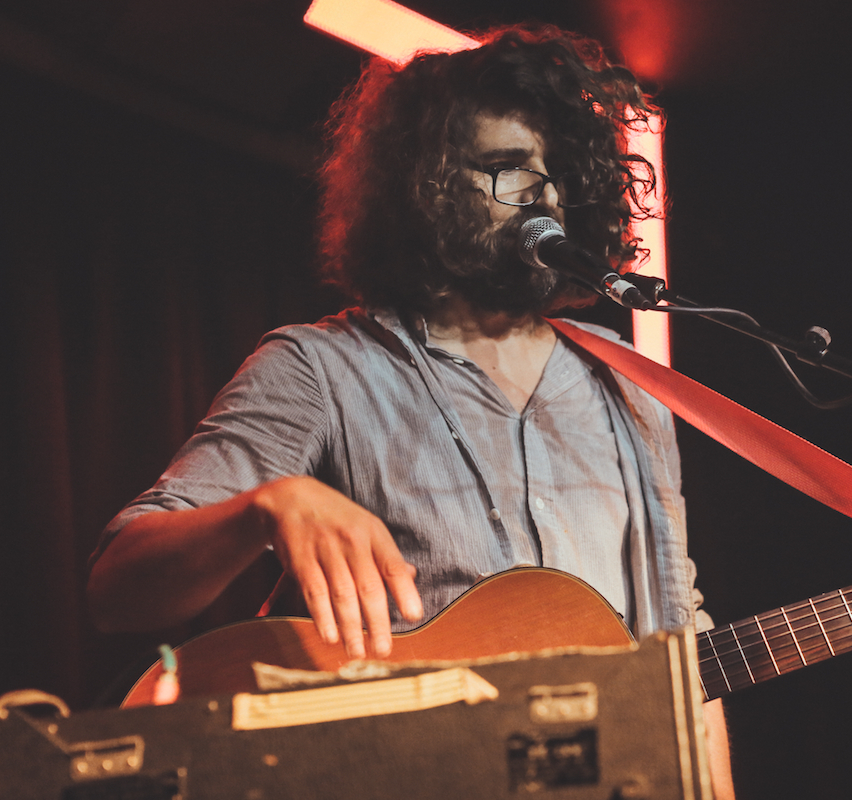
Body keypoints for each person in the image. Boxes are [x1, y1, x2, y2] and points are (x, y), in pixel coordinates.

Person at [86, 23, 734, 797]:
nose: (546, 195)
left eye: (555, 174)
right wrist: (267, 506)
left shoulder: (628, 385)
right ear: (422, 186)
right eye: (506, 169)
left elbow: (680, 637)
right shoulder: (321, 368)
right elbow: (120, 587)